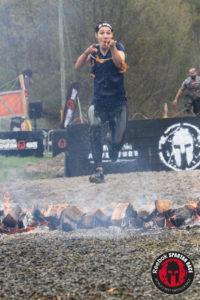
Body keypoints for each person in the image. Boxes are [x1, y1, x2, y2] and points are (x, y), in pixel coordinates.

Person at [75, 21, 128, 183]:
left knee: (117, 142)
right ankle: (98, 170)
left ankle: (112, 145)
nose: (105, 36)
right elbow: (77, 66)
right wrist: (85, 53)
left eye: (108, 33)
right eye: (102, 33)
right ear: (96, 35)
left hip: (118, 104)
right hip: (99, 102)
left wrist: (112, 48)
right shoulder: (93, 51)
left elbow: (120, 63)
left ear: (112, 35)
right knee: (94, 127)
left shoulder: (118, 47)